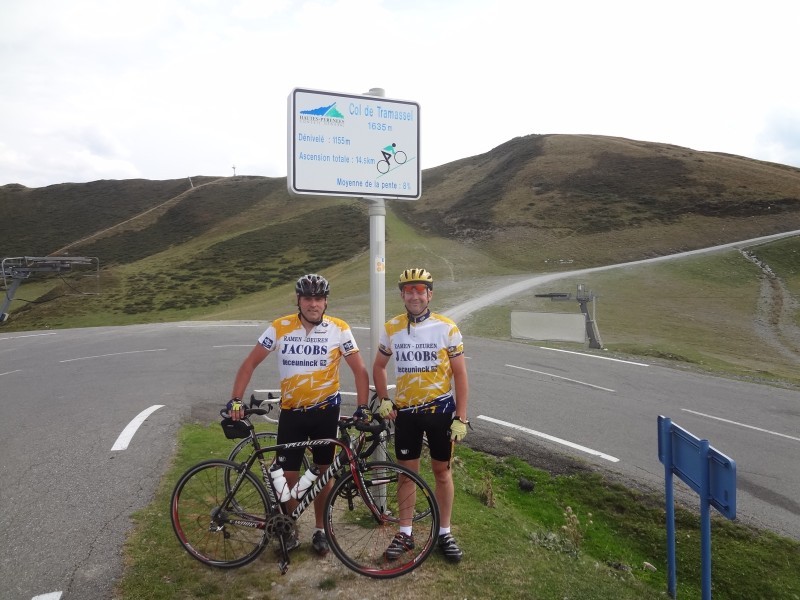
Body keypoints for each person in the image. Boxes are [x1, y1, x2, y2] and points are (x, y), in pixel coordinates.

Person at [226, 273, 370, 557]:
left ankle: (320, 529)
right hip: (292, 414)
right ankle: (289, 528)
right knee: (287, 476)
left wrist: (363, 407)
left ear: (326, 301)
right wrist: (235, 400)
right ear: (299, 300)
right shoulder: (279, 328)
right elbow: (249, 363)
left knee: (322, 474)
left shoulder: (339, 329)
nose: (313, 304)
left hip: (326, 412)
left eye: (318, 299)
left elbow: (360, 371)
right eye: (308, 298)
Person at [372, 267, 470, 563]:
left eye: (420, 290)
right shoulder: (392, 328)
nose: (414, 295)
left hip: (441, 412)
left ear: (430, 294)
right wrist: (384, 400)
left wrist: (461, 418)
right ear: (402, 294)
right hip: (407, 415)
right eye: (408, 290)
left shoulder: (447, 327)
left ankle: (444, 533)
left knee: (442, 473)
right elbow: (378, 366)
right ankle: (405, 533)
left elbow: (461, 376)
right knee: (407, 475)